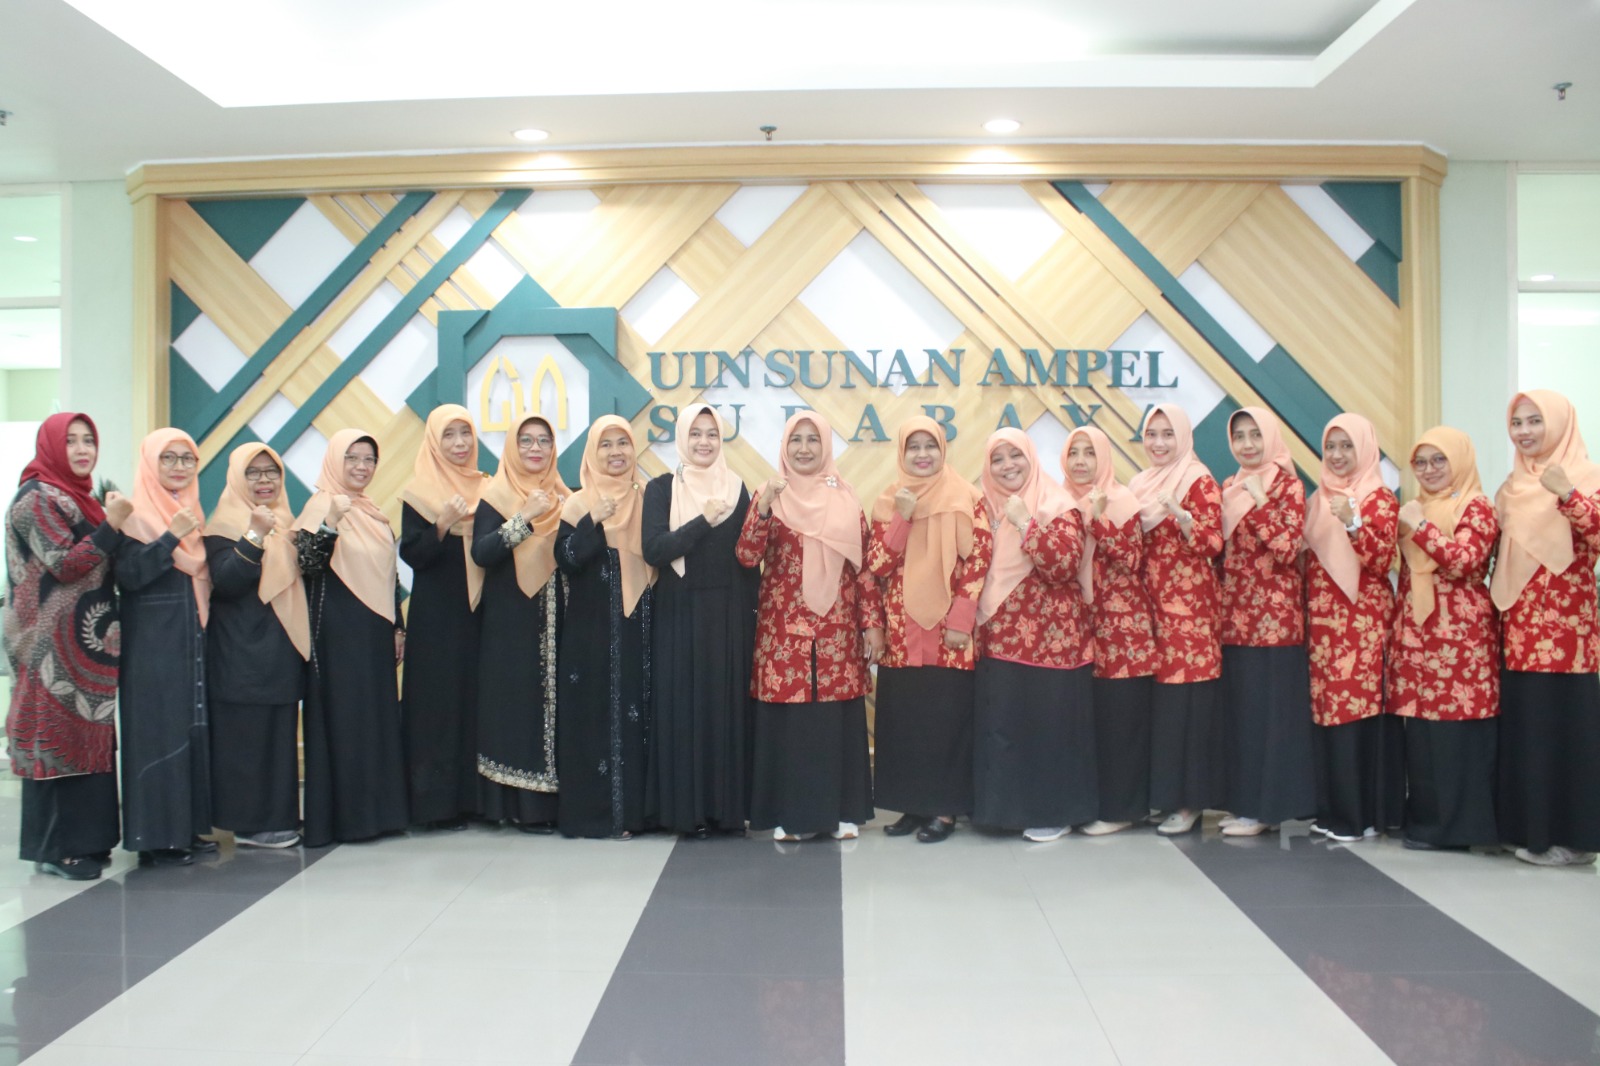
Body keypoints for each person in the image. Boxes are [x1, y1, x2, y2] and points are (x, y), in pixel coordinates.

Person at [736, 412, 883, 842]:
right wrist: (764, 508)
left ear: (825, 447)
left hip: (838, 628)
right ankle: (791, 817)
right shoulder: (770, 495)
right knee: (791, 725)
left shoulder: (846, 498)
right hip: (784, 631)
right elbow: (746, 556)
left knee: (835, 721)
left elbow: (863, 569)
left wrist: (873, 625)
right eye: (796, 440)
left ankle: (841, 813)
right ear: (784, 446)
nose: (804, 448)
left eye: (813, 440)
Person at [4, 414, 132, 879]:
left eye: (89, 441)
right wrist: (112, 525)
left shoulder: (82, 499)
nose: (82, 450)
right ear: (52, 447)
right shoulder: (35, 498)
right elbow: (64, 563)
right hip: (47, 644)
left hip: (86, 641)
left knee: (88, 736)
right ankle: (56, 849)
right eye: (71, 441)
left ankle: (89, 840)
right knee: (54, 735)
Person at [869, 415, 992, 843]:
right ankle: (912, 805)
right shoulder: (889, 500)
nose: (923, 455)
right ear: (902, 453)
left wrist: (961, 619)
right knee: (905, 721)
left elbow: (979, 560)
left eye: (931, 446)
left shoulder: (967, 498)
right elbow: (877, 565)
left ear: (943, 449)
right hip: (901, 630)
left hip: (949, 628)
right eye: (914, 447)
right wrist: (902, 519)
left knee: (946, 720)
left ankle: (944, 809)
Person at [1490, 390, 1600, 867]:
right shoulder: (1511, 487)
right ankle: (1532, 833)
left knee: (1567, 735)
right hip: (1518, 629)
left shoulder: (1587, 478)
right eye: (1517, 423)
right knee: (1528, 734)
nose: (1525, 431)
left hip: (1568, 635)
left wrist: (1569, 495)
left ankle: (1575, 841)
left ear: (1557, 423)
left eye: (1535, 421)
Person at [642, 403, 759, 838]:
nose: (704, 442)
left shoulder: (738, 488)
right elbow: (655, 550)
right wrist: (702, 522)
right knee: (683, 711)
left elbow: (749, 557)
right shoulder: (661, 488)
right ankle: (684, 812)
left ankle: (726, 812)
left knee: (724, 710)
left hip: (728, 618)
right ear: (682, 438)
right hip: (679, 615)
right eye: (696, 433)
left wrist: (753, 619)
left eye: (712, 433)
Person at [971, 428, 1093, 842]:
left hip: (1051, 640)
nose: (1008, 466)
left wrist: (1025, 522)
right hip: (999, 637)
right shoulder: (982, 506)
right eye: (997, 459)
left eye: (1016, 456)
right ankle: (1004, 813)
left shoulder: (1057, 504)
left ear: (1032, 458)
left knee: (1048, 728)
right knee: (1004, 727)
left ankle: (1053, 813)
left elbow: (1063, 566)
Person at [293, 429, 408, 848]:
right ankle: (348, 820)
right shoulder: (321, 504)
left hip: (375, 631)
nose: (362, 467)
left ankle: (381, 815)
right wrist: (329, 524)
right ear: (335, 460)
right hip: (336, 632)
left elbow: (388, 575)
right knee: (345, 720)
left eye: (369, 459)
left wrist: (397, 626)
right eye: (352, 458)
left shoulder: (373, 513)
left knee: (376, 719)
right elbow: (306, 565)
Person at [1389, 427, 1499, 850]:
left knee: (1458, 735)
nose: (1429, 469)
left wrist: (1420, 527)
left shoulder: (1476, 506)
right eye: (1421, 462)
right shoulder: (1416, 506)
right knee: (1422, 735)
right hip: (1419, 635)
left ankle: (1462, 829)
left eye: (1439, 460)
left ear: (1459, 461)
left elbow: (1465, 562)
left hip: (1460, 637)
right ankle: (1427, 824)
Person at [203, 443, 309, 849]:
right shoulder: (223, 526)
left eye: (272, 471)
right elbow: (227, 581)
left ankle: (278, 817)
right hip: (241, 650)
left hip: (280, 647)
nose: (265, 480)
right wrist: (254, 535)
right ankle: (249, 824)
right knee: (246, 738)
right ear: (236, 478)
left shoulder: (287, 523)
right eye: (253, 472)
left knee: (278, 737)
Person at [116, 429, 213, 866]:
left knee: (189, 731)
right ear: (150, 463)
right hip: (152, 648)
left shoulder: (193, 513)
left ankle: (186, 829)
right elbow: (130, 576)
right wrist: (171, 537)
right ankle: (156, 839)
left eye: (186, 459)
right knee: (157, 735)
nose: (178, 467)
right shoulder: (134, 516)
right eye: (168, 458)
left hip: (188, 639)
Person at [555, 415, 656, 839]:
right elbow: (567, 560)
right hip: (591, 632)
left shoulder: (650, 500)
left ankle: (639, 815)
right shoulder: (577, 503)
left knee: (640, 711)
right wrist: (592, 521)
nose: (616, 453)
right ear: (592, 453)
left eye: (623, 443)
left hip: (641, 628)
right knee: (593, 715)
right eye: (606, 444)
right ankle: (596, 816)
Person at [1217, 406, 1315, 837]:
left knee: (1272, 722)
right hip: (1235, 620)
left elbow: (1286, 547)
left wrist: (1259, 501)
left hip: (1275, 624)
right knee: (1243, 718)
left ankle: (1268, 810)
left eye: (1256, 435)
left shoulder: (1288, 486)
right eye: (1239, 436)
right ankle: (1245, 806)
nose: (1248, 444)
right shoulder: (1228, 486)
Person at [1304, 414, 1399, 844]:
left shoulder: (1377, 497)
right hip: (1323, 624)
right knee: (1328, 714)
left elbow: (1381, 560)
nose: (1338, 455)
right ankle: (1332, 810)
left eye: (1347, 446)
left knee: (1357, 714)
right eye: (1331, 446)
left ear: (1364, 449)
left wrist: (1353, 522)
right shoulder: (1318, 497)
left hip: (1362, 621)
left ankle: (1359, 817)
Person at [1129, 405, 1224, 835]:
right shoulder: (1140, 484)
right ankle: (1166, 797)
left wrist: (1184, 519)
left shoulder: (1197, 479)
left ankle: (1189, 804)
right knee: (1162, 710)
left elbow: (1213, 543)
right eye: (1152, 434)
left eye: (1168, 434)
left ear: (1183, 437)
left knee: (1187, 707)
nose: (1159, 443)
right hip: (1150, 608)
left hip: (1190, 612)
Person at [471, 415, 566, 832]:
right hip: (511, 622)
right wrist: (524, 518)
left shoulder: (565, 495)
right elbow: (482, 553)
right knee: (515, 710)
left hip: (558, 621)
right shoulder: (495, 497)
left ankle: (551, 805)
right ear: (512, 446)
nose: (535, 449)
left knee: (554, 711)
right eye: (526, 440)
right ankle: (516, 807)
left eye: (544, 441)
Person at [1062, 426, 1154, 836]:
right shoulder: (1058, 500)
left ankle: (1123, 810)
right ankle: (1094, 805)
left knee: (1122, 723)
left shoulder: (1121, 500)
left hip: (1122, 629)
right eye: (1074, 452)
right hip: (1080, 629)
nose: (1081, 461)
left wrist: (1097, 519)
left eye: (1090, 453)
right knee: (1092, 724)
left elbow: (1131, 558)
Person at [399, 404, 488, 830]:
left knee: (474, 703)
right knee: (437, 707)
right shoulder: (418, 493)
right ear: (434, 442)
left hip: (480, 613)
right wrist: (441, 524)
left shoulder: (488, 488)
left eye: (465, 433)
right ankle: (434, 806)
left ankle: (473, 801)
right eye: (448, 435)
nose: (459, 443)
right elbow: (413, 555)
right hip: (436, 620)